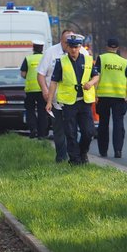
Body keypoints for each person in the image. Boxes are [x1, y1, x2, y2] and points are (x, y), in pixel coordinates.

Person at [46, 33, 100, 165]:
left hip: (84, 101)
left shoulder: (87, 60)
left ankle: (83, 152)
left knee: (89, 132)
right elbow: (54, 82)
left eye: (76, 47)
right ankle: (74, 160)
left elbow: (96, 76)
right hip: (69, 103)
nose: (73, 49)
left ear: (80, 47)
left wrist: (91, 83)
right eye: (71, 47)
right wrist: (49, 101)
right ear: (67, 48)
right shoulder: (61, 62)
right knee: (70, 133)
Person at [37, 29, 76, 162]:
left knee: (72, 129)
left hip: (73, 99)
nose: (69, 46)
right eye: (67, 42)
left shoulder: (80, 52)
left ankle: (75, 157)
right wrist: (44, 90)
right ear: (61, 41)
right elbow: (41, 74)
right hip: (55, 99)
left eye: (72, 43)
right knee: (59, 130)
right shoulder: (51, 53)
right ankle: (61, 158)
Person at [95, 37, 127, 158]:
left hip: (103, 96)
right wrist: (126, 95)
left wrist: (95, 94)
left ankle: (103, 151)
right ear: (117, 48)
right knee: (118, 124)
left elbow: (97, 76)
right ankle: (118, 151)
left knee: (103, 124)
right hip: (119, 97)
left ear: (107, 47)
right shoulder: (123, 61)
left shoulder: (101, 58)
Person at [20, 41, 48, 139]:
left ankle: (33, 129)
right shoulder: (45, 58)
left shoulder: (28, 59)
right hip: (43, 89)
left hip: (30, 90)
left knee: (30, 110)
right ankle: (42, 133)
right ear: (42, 48)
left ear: (33, 48)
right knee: (42, 111)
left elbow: (23, 74)